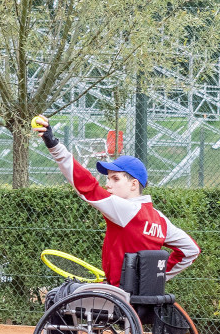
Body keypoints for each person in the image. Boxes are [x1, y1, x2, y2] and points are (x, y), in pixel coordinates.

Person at [32, 115, 200, 287]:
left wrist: (54, 145)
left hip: (118, 295)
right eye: (108, 178)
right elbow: (191, 250)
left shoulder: (126, 210)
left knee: (61, 295)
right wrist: (155, 278)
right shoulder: (160, 220)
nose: (108, 184)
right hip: (144, 297)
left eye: (115, 179)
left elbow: (87, 186)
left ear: (134, 184)